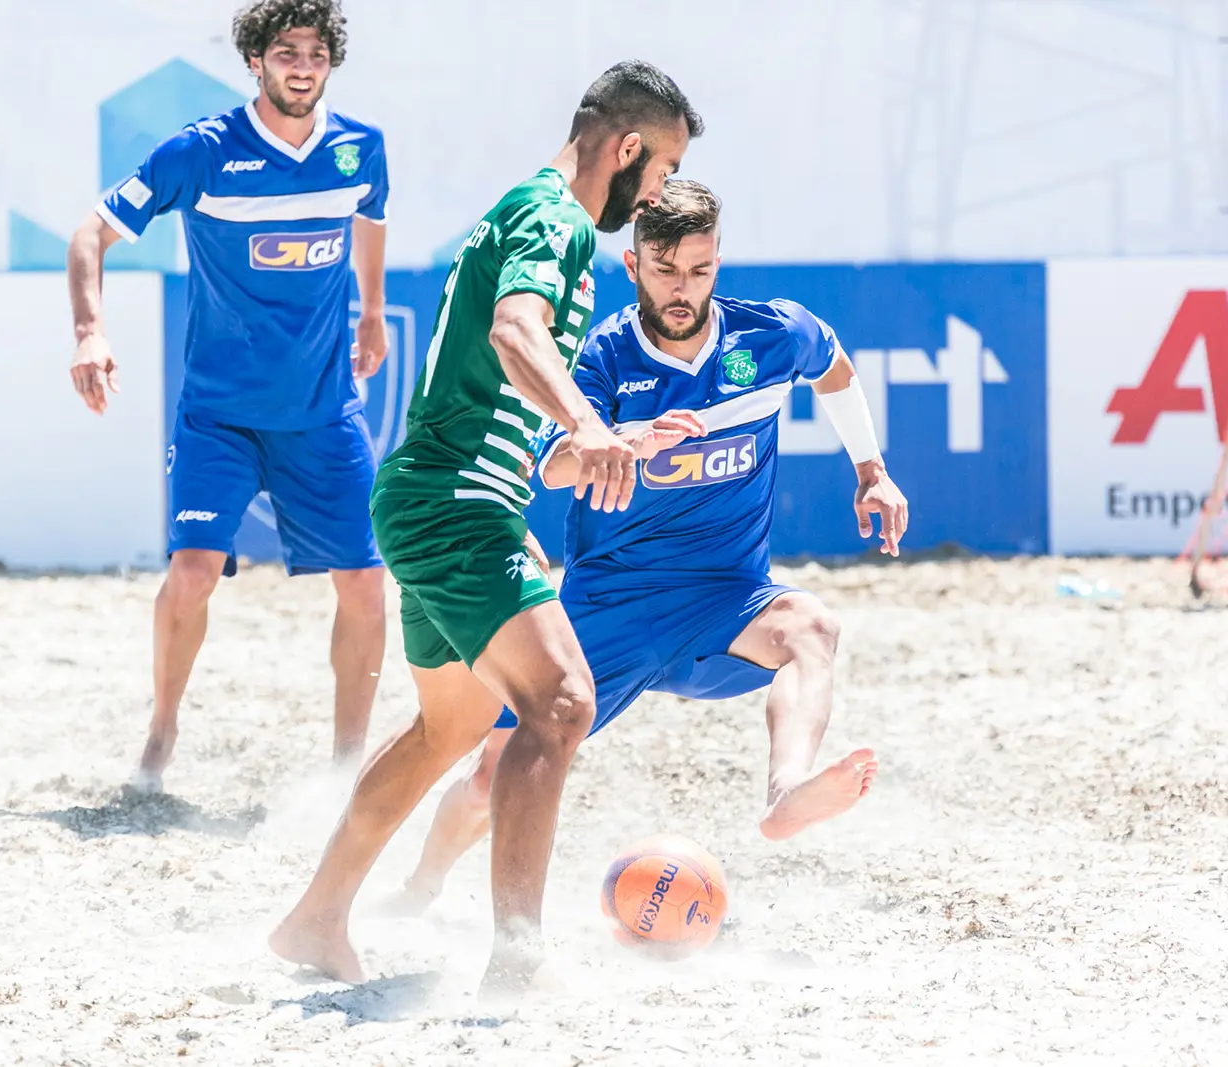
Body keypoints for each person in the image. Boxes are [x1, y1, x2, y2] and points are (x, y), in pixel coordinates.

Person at [270, 61, 703, 998]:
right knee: (560, 703)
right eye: (663, 167)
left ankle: (315, 918)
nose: (661, 190)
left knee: (448, 727)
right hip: (452, 503)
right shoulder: (553, 217)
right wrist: (587, 422)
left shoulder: (535, 214)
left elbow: (507, 373)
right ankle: (515, 956)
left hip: (448, 497)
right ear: (626, 149)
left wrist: (590, 436)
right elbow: (515, 332)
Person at [389, 180, 908, 914]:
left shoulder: (772, 334)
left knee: (813, 627)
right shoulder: (602, 357)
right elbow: (553, 464)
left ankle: (788, 789)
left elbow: (834, 368)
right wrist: (619, 441)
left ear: (718, 263)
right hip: (610, 609)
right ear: (632, 267)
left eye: (698, 271)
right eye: (664, 271)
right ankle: (419, 887)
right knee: (493, 772)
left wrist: (872, 471)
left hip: (726, 601)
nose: (681, 289)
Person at [65, 0, 389, 791]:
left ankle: (347, 767)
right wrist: (89, 333)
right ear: (255, 59)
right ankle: (162, 733)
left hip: (323, 412)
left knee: (368, 585)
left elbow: (371, 217)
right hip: (219, 416)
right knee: (193, 573)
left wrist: (373, 311)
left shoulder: (361, 147)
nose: (303, 66)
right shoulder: (202, 152)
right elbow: (89, 234)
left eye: (317, 52)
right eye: (287, 51)